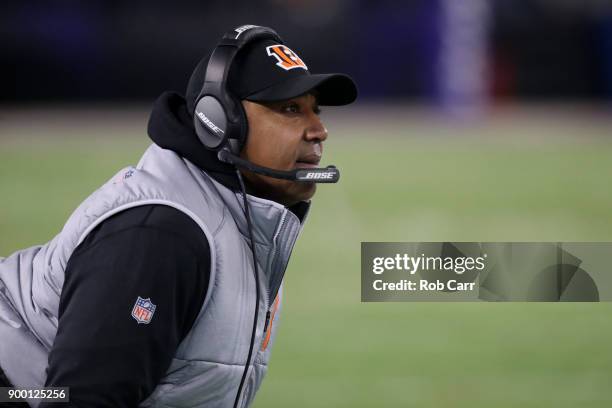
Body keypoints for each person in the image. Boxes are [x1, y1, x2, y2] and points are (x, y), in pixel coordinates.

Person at [0, 25, 357, 407]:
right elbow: (81, 398)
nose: (319, 130)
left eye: (315, 111)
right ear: (221, 122)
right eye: (290, 109)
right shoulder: (162, 236)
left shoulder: (249, 221)